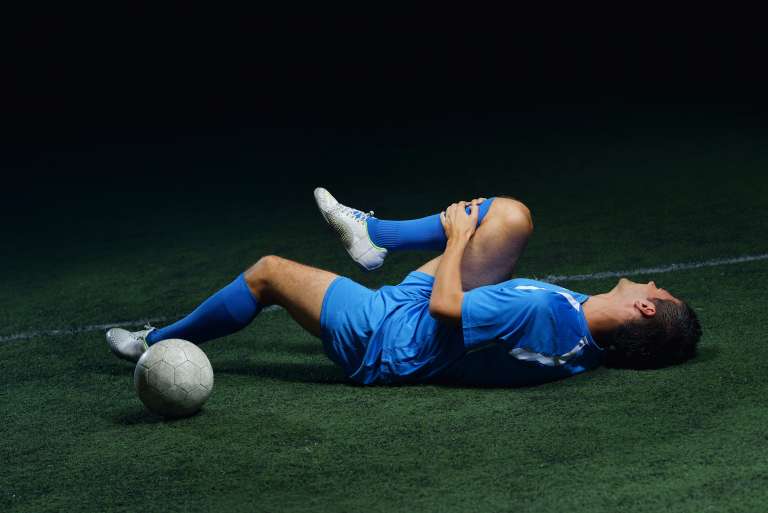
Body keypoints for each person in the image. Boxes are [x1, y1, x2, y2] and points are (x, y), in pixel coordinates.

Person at [106, 188, 702, 386]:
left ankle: (154, 340)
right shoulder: (586, 345)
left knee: (266, 272)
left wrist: (458, 238)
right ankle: (374, 235)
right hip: (434, 332)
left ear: (645, 307)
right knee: (512, 216)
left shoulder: (543, 308)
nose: (650, 281)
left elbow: (446, 308)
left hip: (387, 335)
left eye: (657, 290)